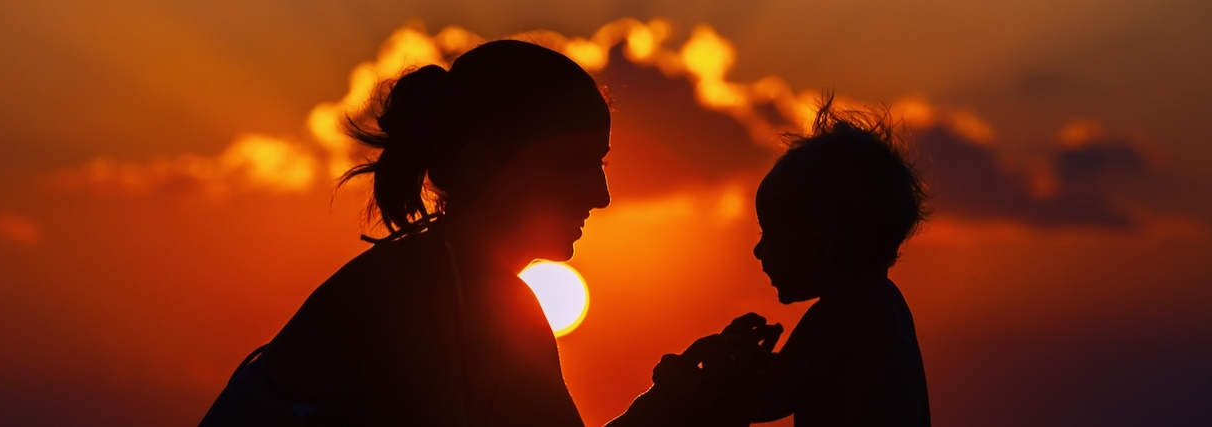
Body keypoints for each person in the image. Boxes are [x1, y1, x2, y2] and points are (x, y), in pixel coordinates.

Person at [200, 39, 611, 427]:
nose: (601, 195)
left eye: (601, 164)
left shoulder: (508, 308)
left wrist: (671, 400)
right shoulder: (410, 295)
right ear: (478, 166)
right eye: (572, 164)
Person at [610, 99, 931, 427]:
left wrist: (682, 385)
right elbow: (806, 373)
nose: (758, 251)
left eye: (770, 234)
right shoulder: (884, 304)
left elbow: (765, 399)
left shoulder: (837, 316)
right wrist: (754, 361)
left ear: (821, 244)